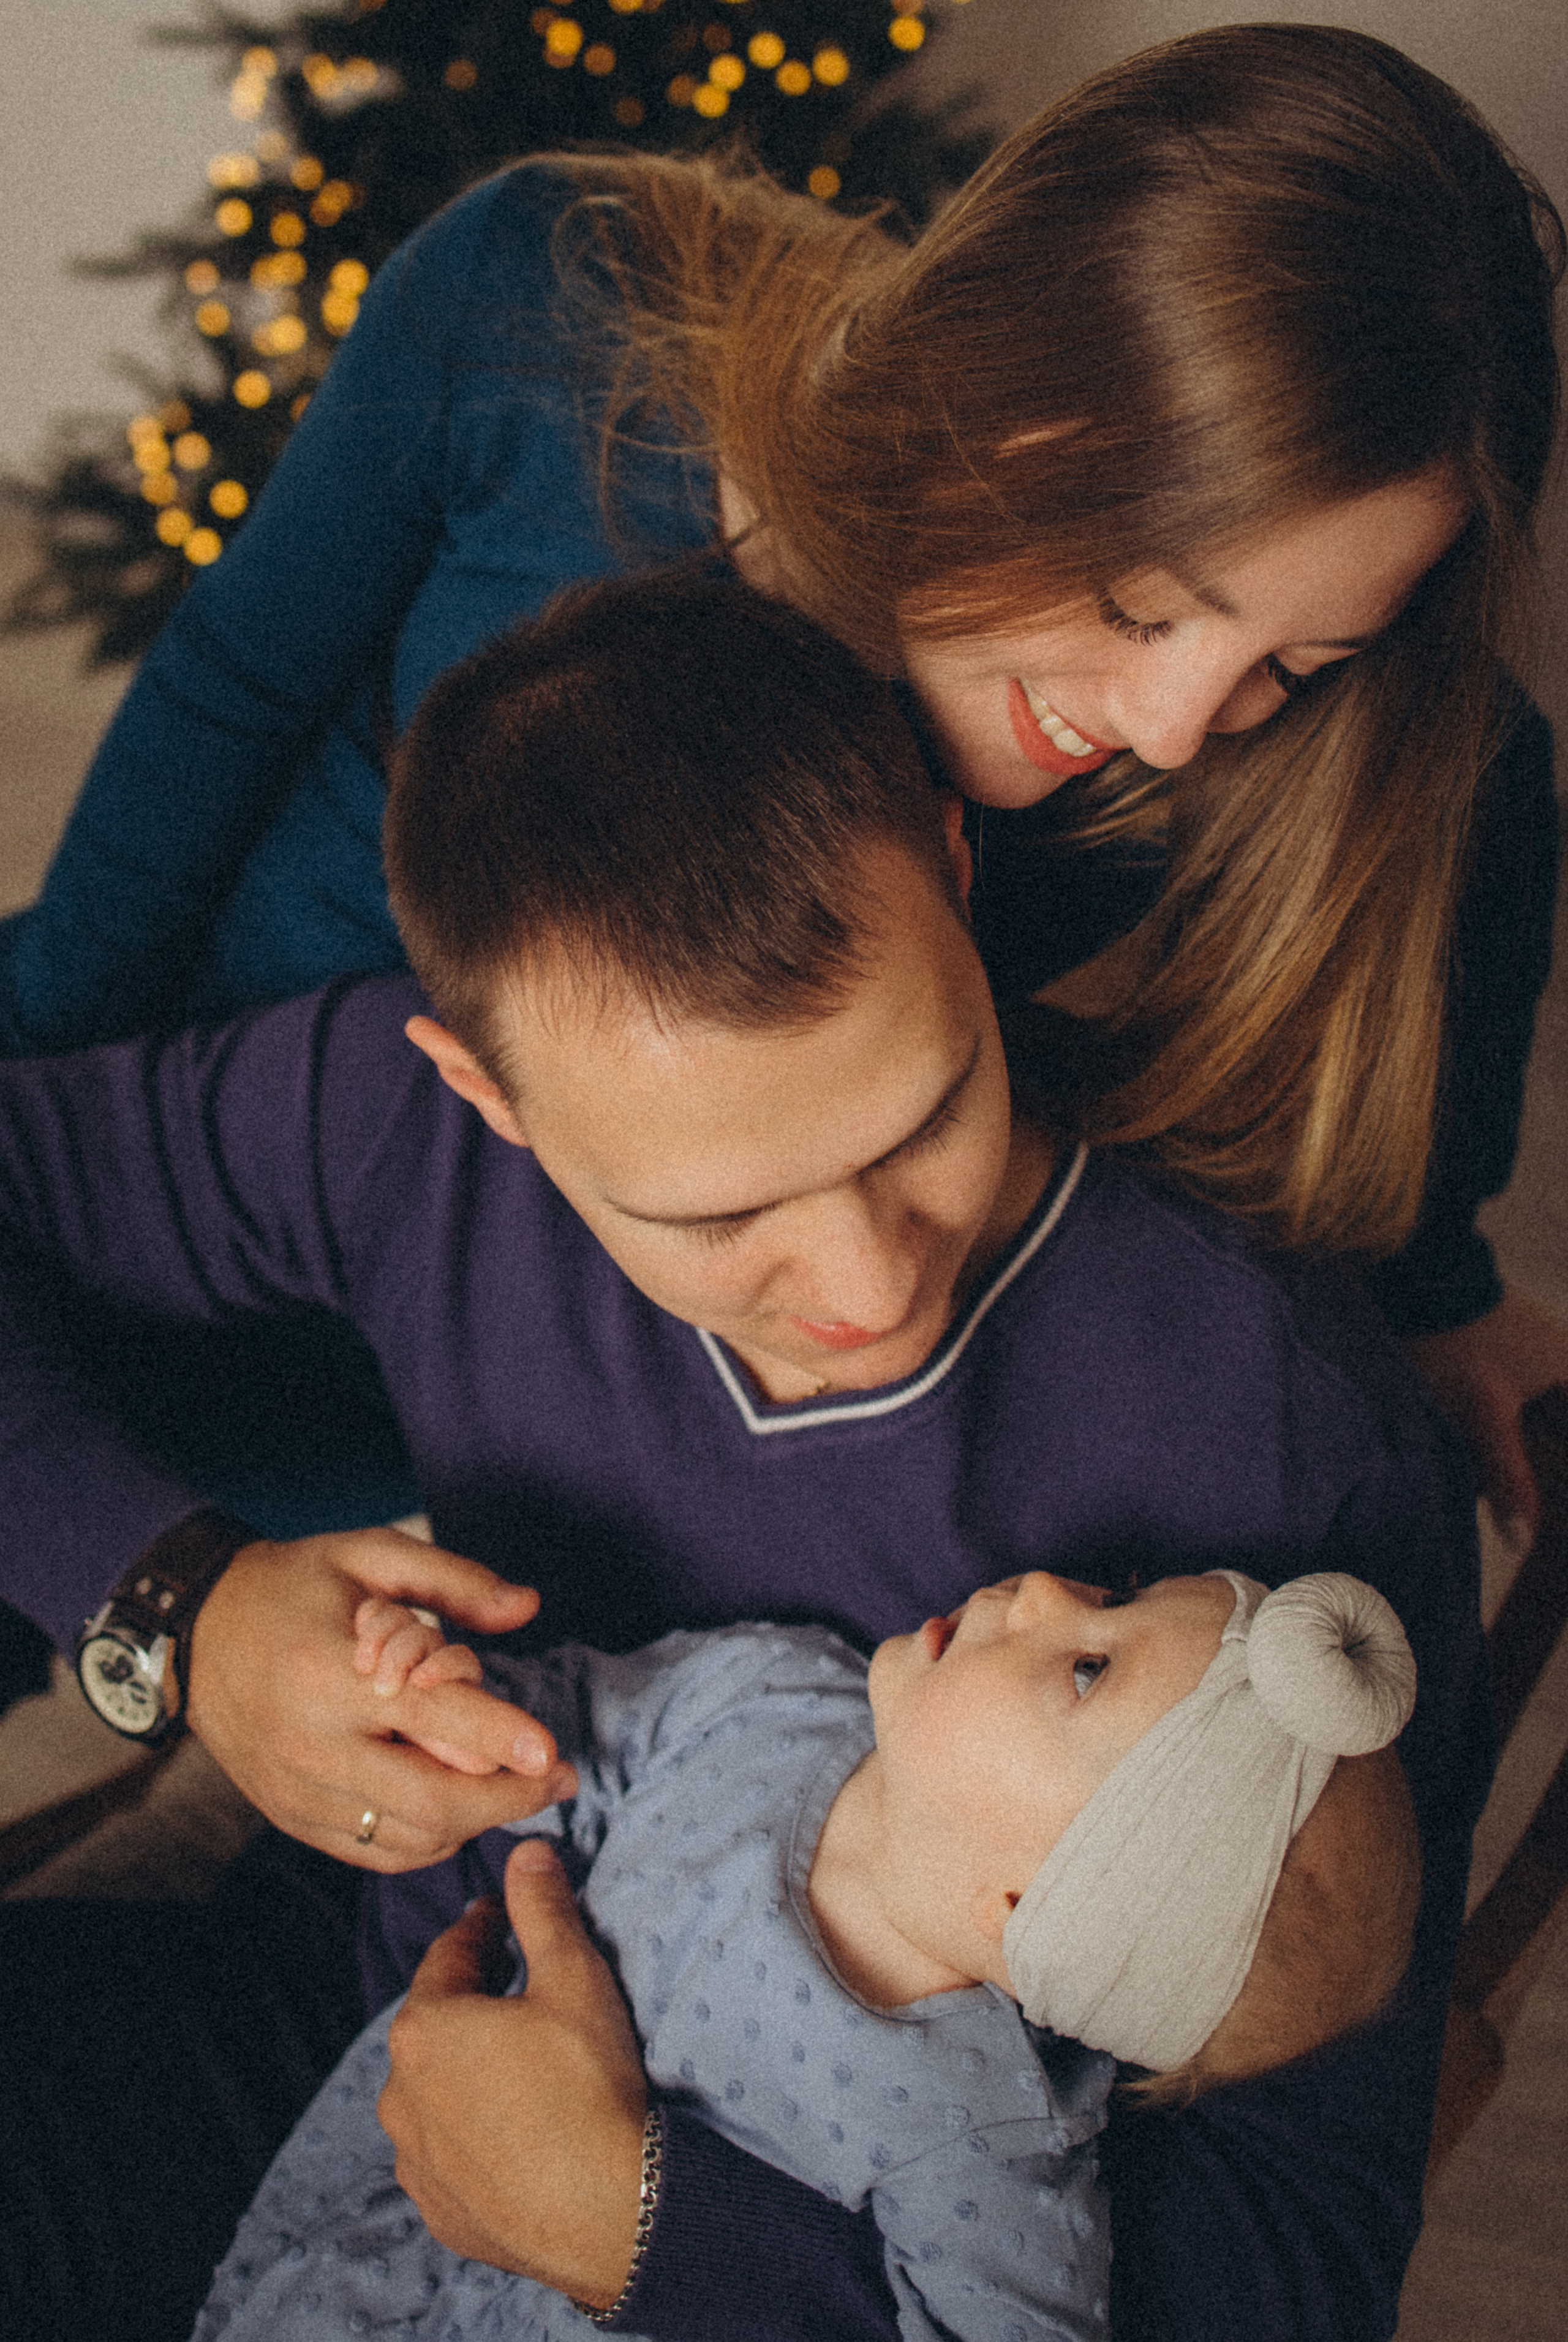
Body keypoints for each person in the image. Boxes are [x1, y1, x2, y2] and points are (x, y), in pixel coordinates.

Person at [0, 570, 1490, 2342]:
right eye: (720, 1214)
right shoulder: (402, 1134)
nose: (870, 1285)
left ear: (950, 870)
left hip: (843, 2221)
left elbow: (1299, 2254)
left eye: (927, 1110)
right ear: (486, 1094)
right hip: (337, 1997)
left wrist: (647, 2229)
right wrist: (179, 1603)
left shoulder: (1284, 1434)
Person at [0, 22, 1561, 1528]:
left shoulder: (1302, 741)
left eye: (1295, 663)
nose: (1171, 729)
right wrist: (39, 1054)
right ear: (995, 373)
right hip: (157, 1154)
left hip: (535, 1391)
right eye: (1136, 604)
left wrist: (1438, 1290)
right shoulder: (551, 308)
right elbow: (233, 687)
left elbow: (1477, 784)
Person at [192, 1568, 1422, 2342]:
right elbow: (570, 1736)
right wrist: (447, 1701)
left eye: (1084, 1667)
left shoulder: (979, 2143)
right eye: (1112, 1594)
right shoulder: (781, 1695)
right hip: (400, 2212)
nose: (1040, 1587)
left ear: (1035, 1904)